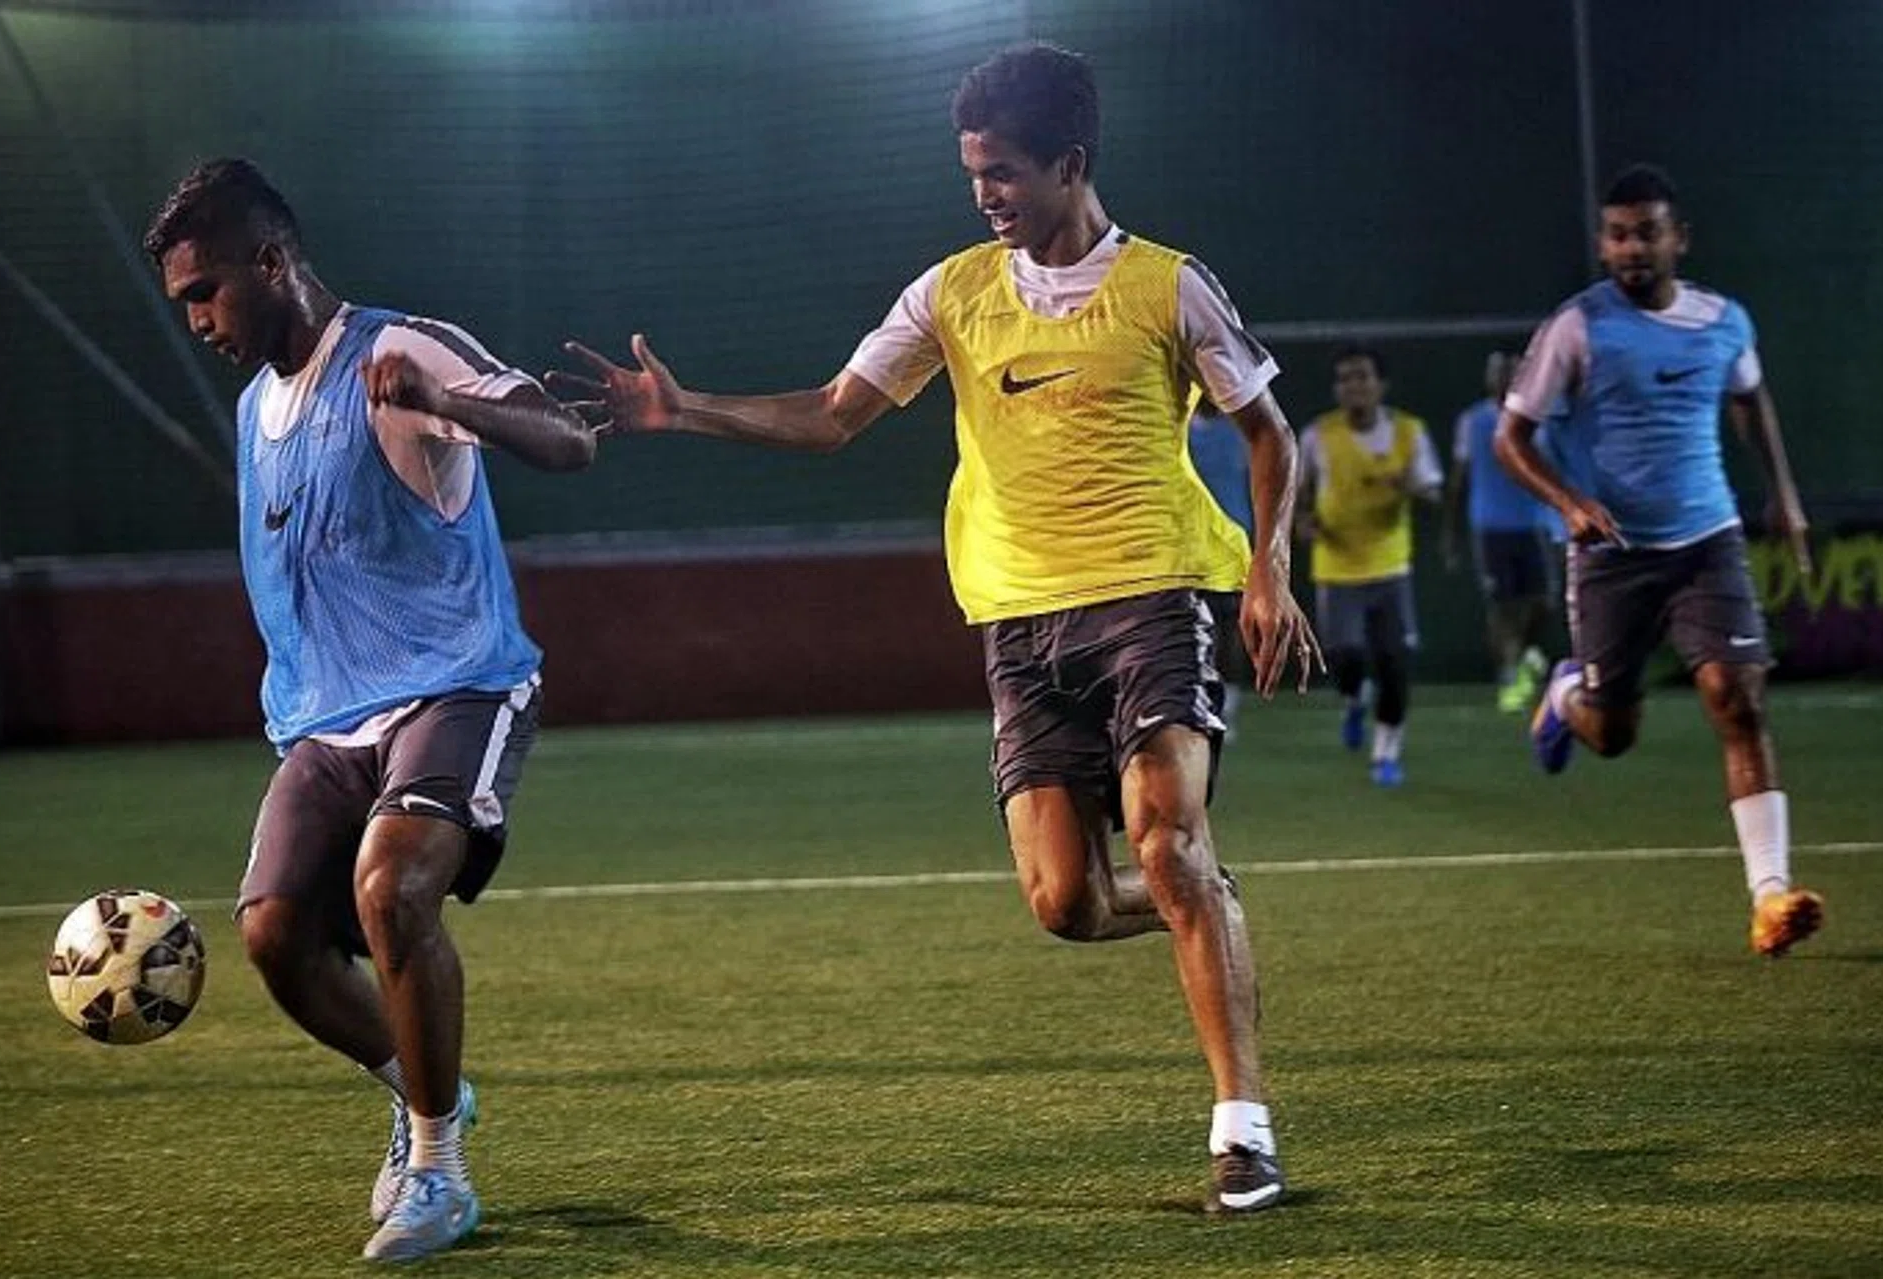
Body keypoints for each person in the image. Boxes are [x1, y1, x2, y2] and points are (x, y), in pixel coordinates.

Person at [551, 42, 1320, 1212]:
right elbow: (832, 415)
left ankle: (1243, 1134)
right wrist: (686, 409)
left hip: (1150, 597)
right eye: (973, 174)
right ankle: (1205, 901)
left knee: (1166, 841)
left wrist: (1268, 570)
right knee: (1066, 903)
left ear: (1070, 164)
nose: (984, 195)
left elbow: (1269, 431)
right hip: (1017, 621)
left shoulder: (1169, 286)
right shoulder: (950, 292)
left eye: (1004, 172)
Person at [144, 158, 596, 1261]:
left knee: (393, 889)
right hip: (324, 721)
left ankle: (438, 1169)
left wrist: (446, 404)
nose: (198, 321)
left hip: (457, 682)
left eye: (205, 292)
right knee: (273, 936)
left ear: (271, 261)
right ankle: (424, 1085)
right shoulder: (254, 410)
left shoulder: (402, 349)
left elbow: (568, 439)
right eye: (183, 303)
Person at [1494, 162, 1822, 958]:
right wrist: (1570, 502)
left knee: (1737, 697)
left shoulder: (1725, 321)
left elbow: (1751, 398)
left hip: (1709, 539)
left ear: (1680, 239)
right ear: (1603, 245)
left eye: (1646, 233)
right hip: (1612, 553)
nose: (1631, 248)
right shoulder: (1577, 326)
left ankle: (1770, 894)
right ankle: (1566, 694)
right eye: (1617, 236)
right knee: (1613, 733)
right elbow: (1512, 438)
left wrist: (1783, 495)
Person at [1297, 346, 1442, 787]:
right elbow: (1298, 496)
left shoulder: (1409, 432)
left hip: (1390, 568)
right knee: (1346, 659)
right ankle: (1354, 699)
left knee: (1395, 664)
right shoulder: (1318, 435)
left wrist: (1410, 488)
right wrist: (1303, 524)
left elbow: (1432, 494)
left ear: (1381, 385)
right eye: (1345, 379)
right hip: (1337, 568)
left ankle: (1385, 754)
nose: (1353, 386)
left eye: (1362, 377)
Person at [1444, 350, 1559, 712]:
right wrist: (1451, 533)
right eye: (1498, 371)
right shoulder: (1472, 421)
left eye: (1511, 371)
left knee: (1544, 602)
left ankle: (1523, 656)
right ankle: (1509, 675)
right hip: (1491, 527)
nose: (1504, 378)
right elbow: (1459, 479)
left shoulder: (1540, 419)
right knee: (1502, 605)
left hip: (1535, 524)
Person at [1188, 397, 1255, 734]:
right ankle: (1195, 701)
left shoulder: (1242, 428)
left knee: (1230, 626)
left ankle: (1228, 704)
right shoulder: (1178, 427)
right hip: (1187, 544)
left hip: (1232, 541)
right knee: (1190, 626)